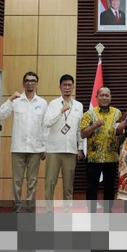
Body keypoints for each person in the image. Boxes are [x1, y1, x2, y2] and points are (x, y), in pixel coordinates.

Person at [0, 71, 47, 213]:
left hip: (35, 149)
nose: (30, 83)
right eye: (27, 81)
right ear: (23, 84)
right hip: (18, 147)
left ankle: (30, 210)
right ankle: (16, 209)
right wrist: (10, 99)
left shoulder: (42, 103)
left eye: (33, 81)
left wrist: (44, 147)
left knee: (32, 181)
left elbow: (45, 126)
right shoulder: (16, 101)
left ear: (37, 84)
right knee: (17, 181)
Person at [43, 74, 84, 213]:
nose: (67, 87)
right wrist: (61, 111)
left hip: (71, 150)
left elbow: (79, 129)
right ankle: (49, 211)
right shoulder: (53, 104)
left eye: (69, 85)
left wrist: (80, 148)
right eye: (64, 85)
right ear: (60, 87)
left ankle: (66, 212)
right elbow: (47, 122)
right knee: (50, 182)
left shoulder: (79, 106)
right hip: (53, 149)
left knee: (68, 185)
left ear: (73, 87)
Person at [80, 87, 122, 213]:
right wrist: (95, 125)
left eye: (107, 95)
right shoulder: (89, 114)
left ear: (110, 97)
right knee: (91, 187)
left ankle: (108, 211)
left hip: (111, 157)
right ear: (97, 97)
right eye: (102, 95)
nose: (104, 98)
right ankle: (91, 212)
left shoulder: (117, 113)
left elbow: (121, 133)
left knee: (109, 187)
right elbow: (82, 134)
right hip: (94, 158)